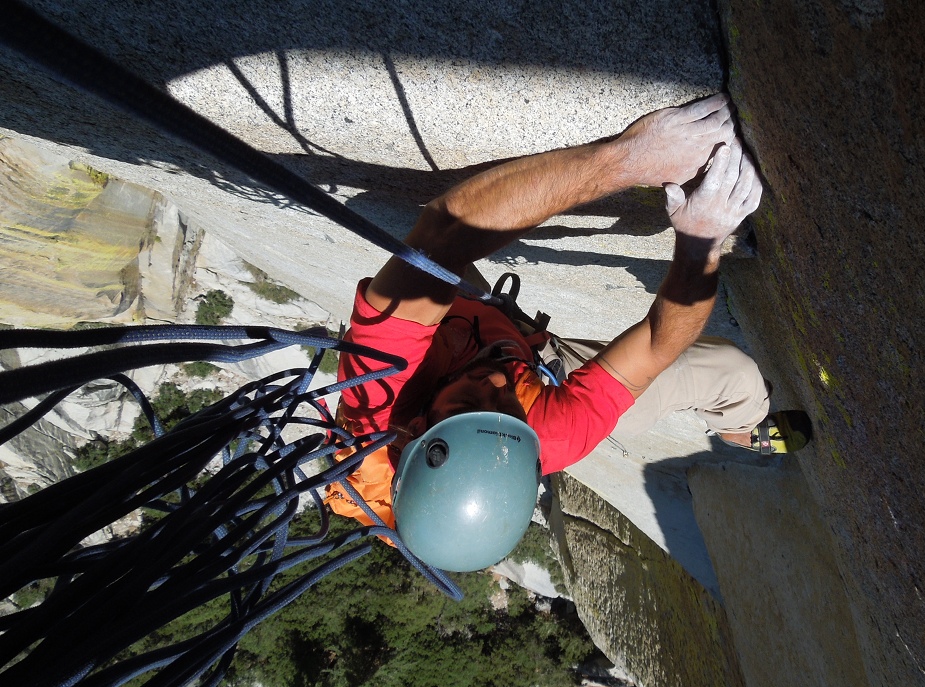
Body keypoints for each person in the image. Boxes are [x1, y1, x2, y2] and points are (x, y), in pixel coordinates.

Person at [326, 93, 809, 570]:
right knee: (733, 372)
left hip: (472, 346)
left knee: (431, 258)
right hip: (540, 368)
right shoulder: (553, 436)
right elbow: (659, 343)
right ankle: (742, 430)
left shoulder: (375, 393)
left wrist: (629, 157)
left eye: (471, 405)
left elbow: (443, 229)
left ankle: (474, 338)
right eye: (507, 412)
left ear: (415, 428)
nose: (496, 387)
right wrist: (701, 240)